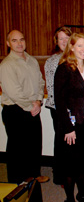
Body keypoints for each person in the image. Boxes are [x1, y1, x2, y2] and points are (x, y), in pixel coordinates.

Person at [54, 33, 84, 202]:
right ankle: (70, 198)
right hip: (70, 125)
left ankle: (82, 194)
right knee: (70, 165)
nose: (83, 49)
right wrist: (68, 129)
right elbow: (59, 101)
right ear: (71, 47)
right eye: (79, 45)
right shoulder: (64, 68)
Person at [0, 30, 48, 183]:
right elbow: (14, 92)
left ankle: (34, 174)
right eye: (14, 40)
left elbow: (41, 82)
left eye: (21, 39)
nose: (19, 43)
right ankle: (16, 182)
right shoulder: (6, 64)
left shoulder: (32, 60)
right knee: (17, 149)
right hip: (15, 110)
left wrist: (39, 101)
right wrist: (31, 106)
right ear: (8, 43)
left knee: (34, 144)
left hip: (33, 107)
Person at [44, 26, 72, 185]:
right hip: (59, 109)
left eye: (67, 38)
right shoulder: (52, 61)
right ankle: (60, 175)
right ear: (56, 41)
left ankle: (70, 172)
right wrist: (65, 109)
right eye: (61, 38)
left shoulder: (77, 57)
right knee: (61, 141)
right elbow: (52, 89)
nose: (64, 41)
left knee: (72, 141)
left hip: (74, 110)